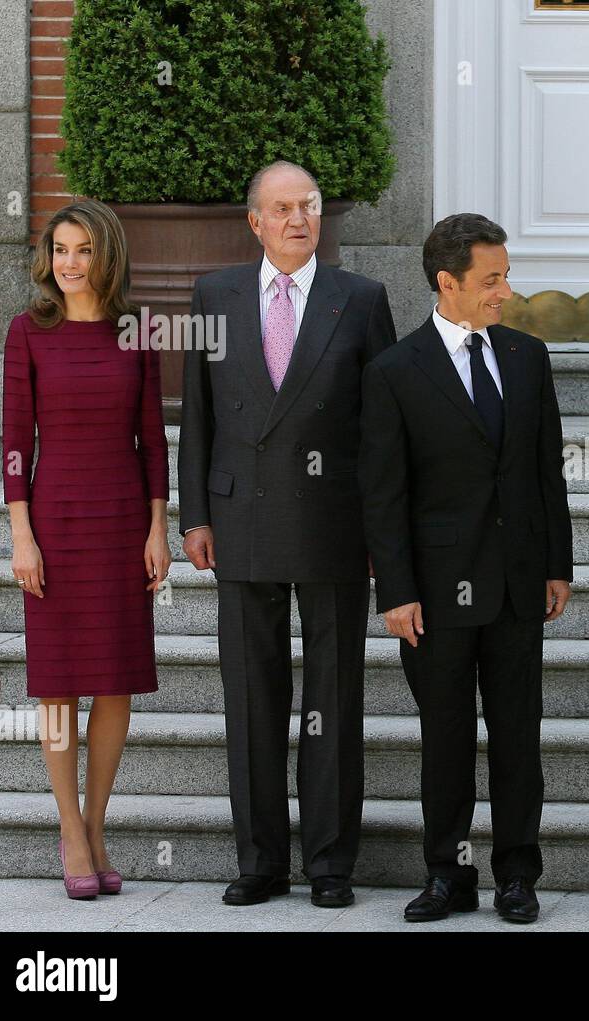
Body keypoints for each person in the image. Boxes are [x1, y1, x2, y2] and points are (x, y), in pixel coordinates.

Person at [178, 160, 397, 908]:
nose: (298, 218)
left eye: (308, 205)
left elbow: (382, 429)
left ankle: (331, 864)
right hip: (238, 520)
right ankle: (261, 862)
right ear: (255, 222)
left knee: (333, 699)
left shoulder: (361, 300)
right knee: (252, 697)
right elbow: (198, 415)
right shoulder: (214, 294)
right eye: (282, 208)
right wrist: (194, 515)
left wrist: (381, 527)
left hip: (334, 522)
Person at [359, 212, 573, 924]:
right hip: (435, 596)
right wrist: (395, 590)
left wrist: (557, 565)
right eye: (492, 278)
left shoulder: (526, 356)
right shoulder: (394, 370)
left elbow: (548, 472)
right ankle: (447, 874)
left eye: (506, 275)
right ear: (447, 283)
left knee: (518, 736)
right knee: (445, 740)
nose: (505, 291)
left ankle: (517, 873)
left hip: (517, 584)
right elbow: (383, 493)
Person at [2, 199, 170, 899]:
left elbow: (153, 439)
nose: (68, 263)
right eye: (59, 250)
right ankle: (70, 830)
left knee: (115, 679)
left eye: (82, 250)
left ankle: (95, 824)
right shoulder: (27, 332)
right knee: (59, 682)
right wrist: (21, 534)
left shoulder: (139, 330)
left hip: (122, 519)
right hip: (55, 523)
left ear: (106, 256)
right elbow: (16, 444)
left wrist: (158, 525)